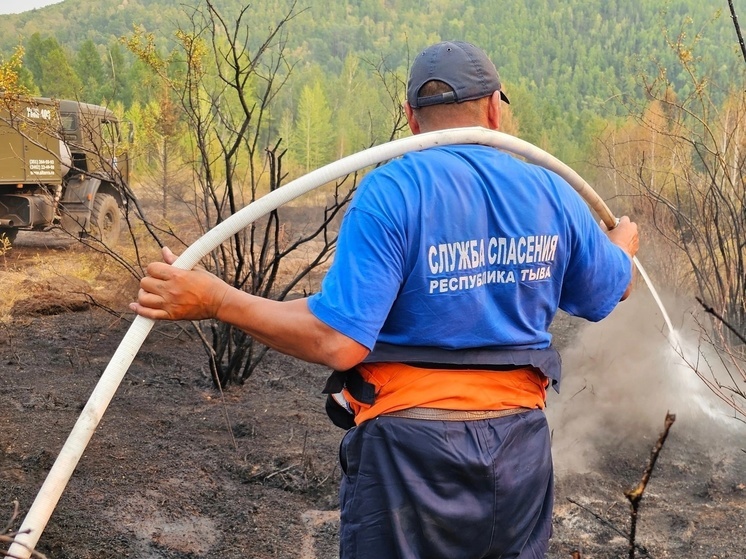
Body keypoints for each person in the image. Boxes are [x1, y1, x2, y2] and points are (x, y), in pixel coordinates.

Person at [131, 40, 639, 559]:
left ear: (411, 120)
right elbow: (608, 290)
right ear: (493, 108)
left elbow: (339, 340)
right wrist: (619, 247)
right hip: (518, 453)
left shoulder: (392, 189)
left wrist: (217, 301)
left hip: (410, 457)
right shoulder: (550, 192)